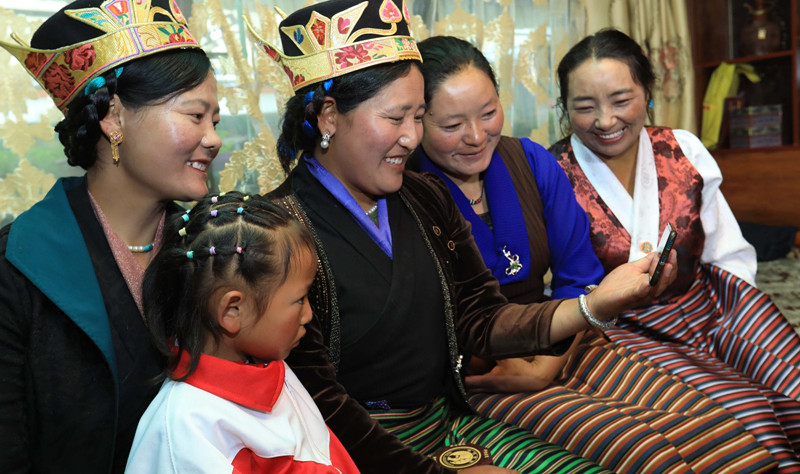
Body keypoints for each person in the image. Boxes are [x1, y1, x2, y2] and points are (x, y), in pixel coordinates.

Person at [250, 1, 682, 472]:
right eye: (396, 118)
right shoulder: (278, 234)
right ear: (329, 117)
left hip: (452, 420)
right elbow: (318, 402)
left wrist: (593, 305)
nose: (412, 138)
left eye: (418, 116)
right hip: (360, 452)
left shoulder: (424, 196)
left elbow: (480, 318)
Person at [410, 34, 777, 473]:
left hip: (568, 337)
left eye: (489, 113)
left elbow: (578, 273)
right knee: (646, 448)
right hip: (487, 365)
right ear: (415, 121)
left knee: (715, 428)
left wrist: (547, 362)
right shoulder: (408, 192)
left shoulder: (530, 162)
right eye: (451, 125)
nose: (475, 136)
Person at [550, 28, 800, 470]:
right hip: (622, 335)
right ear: (564, 107)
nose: (605, 121)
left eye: (621, 100)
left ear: (648, 91)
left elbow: (726, 251)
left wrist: (737, 325)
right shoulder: (551, 173)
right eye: (584, 107)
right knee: (743, 415)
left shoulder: (682, 147)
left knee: (790, 383)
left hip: (712, 305)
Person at [0, 0, 220, 471]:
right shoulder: (17, 264)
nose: (213, 138)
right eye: (195, 116)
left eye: (215, 121)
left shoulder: (213, 247)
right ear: (114, 118)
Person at [125, 192, 359, 473]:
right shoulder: (187, 433)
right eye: (299, 299)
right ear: (232, 311)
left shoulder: (267, 364)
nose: (308, 315)